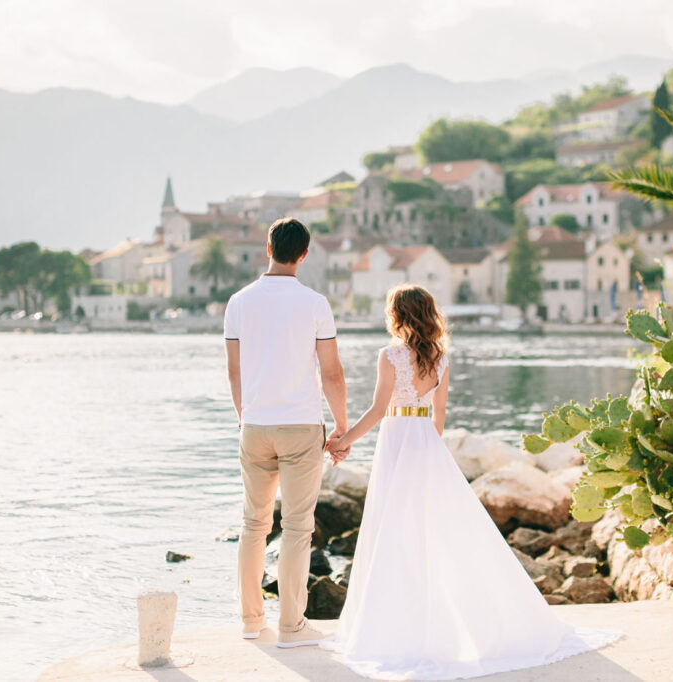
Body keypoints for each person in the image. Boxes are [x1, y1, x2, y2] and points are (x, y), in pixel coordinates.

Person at [321, 284, 620, 679]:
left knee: (393, 528)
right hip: (425, 443)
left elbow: (378, 410)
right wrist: (429, 449)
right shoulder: (440, 357)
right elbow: (439, 414)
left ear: (397, 315)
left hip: (396, 440)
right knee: (433, 530)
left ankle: (398, 620)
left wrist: (343, 440)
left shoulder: (390, 355)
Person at [224, 217, 349, 648]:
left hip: (255, 425)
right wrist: (342, 428)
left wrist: (244, 417)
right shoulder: (315, 304)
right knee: (297, 528)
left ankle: (250, 620)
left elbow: (234, 371)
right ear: (304, 255)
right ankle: (292, 627)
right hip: (300, 426)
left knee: (253, 525)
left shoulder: (238, 302)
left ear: (268, 248)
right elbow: (332, 373)